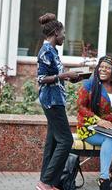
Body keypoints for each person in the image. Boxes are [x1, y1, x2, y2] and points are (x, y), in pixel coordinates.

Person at [36, 13, 83, 190]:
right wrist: (64, 75)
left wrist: (71, 78)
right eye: (63, 33)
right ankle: (45, 182)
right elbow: (41, 78)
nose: (65, 36)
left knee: (54, 141)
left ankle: (49, 182)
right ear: (56, 32)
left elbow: (55, 76)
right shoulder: (46, 50)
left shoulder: (52, 51)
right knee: (66, 141)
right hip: (51, 100)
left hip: (56, 99)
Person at [76, 55, 112, 190]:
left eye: (107, 68)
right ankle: (103, 178)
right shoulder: (89, 84)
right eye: (101, 67)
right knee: (111, 139)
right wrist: (98, 120)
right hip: (89, 127)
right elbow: (80, 107)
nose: (103, 70)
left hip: (110, 128)